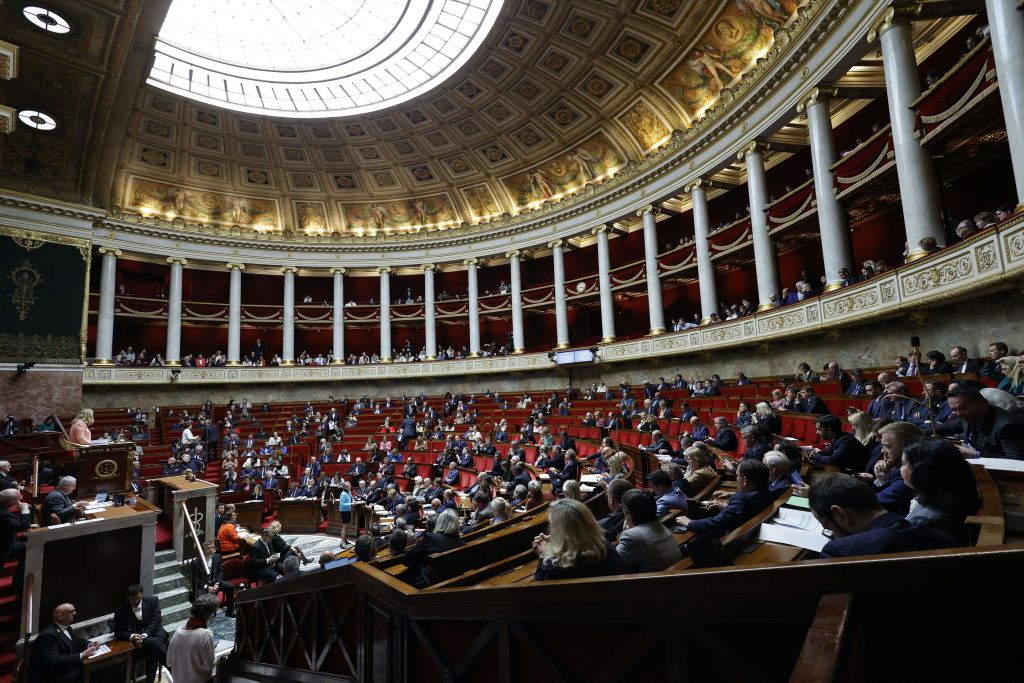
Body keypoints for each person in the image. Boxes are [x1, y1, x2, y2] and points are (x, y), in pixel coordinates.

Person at [809, 473, 958, 558]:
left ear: (841, 515)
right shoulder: (944, 541)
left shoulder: (840, 552)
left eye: (827, 527)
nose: (831, 534)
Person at [901, 439, 980, 544]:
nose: (900, 469)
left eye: (903, 463)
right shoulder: (953, 498)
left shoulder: (925, 520)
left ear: (922, 472)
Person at [678, 460, 775, 538]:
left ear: (745, 480)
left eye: (737, 476)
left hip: (735, 539)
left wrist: (689, 522)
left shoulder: (741, 499)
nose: (737, 479)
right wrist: (725, 505)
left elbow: (715, 523)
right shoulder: (769, 492)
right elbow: (746, 510)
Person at [533, 498, 623, 581]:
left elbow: (539, 592)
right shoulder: (606, 549)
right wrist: (558, 542)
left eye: (553, 526)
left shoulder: (555, 570)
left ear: (561, 532)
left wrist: (543, 555)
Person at [948, 384, 1024, 460]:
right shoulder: (970, 416)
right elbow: (946, 427)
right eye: (954, 410)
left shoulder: (1007, 426)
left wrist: (977, 455)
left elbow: (1016, 461)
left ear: (981, 405)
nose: (958, 414)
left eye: (962, 408)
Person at [28, 603, 98, 683]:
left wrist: (89, 644)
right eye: (71, 612)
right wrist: (82, 655)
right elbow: (53, 661)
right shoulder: (48, 635)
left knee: (95, 667)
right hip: (54, 675)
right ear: (59, 616)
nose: (75, 613)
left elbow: (74, 640)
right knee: (88, 671)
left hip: (67, 666)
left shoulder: (66, 626)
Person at [616, 489, 682, 572]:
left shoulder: (631, 536)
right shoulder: (660, 526)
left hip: (654, 583)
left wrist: (624, 532)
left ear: (628, 514)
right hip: (674, 578)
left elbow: (613, 561)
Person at [113, 583, 168, 683]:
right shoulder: (120, 611)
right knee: (153, 647)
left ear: (141, 594)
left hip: (155, 634)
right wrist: (132, 636)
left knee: (152, 643)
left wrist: (145, 635)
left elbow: (156, 620)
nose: (135, 601)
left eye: (138, 598)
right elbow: (118, 632)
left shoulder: (153, 601)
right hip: (138, 645)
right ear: (128, 598)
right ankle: (173, 668)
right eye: (132, 599)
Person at [402, 509, 464, 588]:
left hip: (427, 587)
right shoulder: (462, 543)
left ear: (440, 522)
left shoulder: (431, 538)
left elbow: (407, 560)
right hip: (453, 585)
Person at [166, 595, 218, 683]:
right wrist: (214, 653)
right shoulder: (205, 634)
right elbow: (209, 665)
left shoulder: (177, 632)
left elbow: (169, 662)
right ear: (208, 615)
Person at [194, 540, 237, 618]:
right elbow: (195, 580)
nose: (210, 549)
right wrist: (207, 587)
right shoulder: (196, 562)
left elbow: (221, 571)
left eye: (212, 547)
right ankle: (202, 617)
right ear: (203, 550)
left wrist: (217, 583)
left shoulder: (216, 557)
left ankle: (230, 611)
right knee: (200, 597)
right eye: (208, 548)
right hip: (204, 585)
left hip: (215, 582)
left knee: (230, 586)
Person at [0, 488, 30, 593]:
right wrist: (25, 510)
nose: (20, 501)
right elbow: (22, 525)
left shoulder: (3, 509)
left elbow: (12, 520)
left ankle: (18, 582)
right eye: (18, 499)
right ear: (10, 502)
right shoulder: (3, 514)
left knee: (26, 548)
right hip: (3, 546)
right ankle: (18, 583)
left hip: (8, 541)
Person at [338, 481, 354, 548]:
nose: (350, 486)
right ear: (345, 487)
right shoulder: (343, 494)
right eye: (349, 486)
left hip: (348, 510)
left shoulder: (349, 492)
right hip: (344, 511)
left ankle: (345, 540)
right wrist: (351, 504)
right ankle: (342, 542)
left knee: (346, 526)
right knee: (344, 527)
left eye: (350, 485)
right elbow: (342, 504)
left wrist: (353, 502)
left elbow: (350, 499)